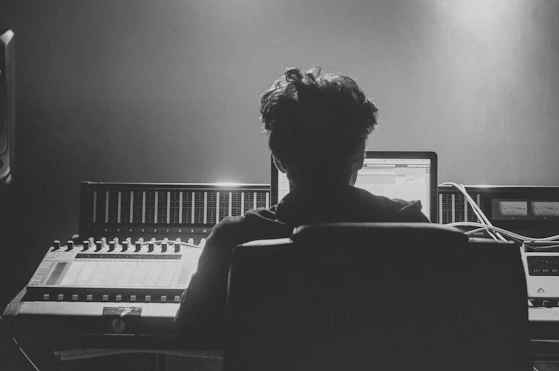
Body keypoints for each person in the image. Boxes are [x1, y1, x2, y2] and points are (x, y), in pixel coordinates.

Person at [175, 66, 430, 337]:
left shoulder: (233, 239)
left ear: (278, 160)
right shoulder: (413, 227)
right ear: (360, 155)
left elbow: (190, 331)